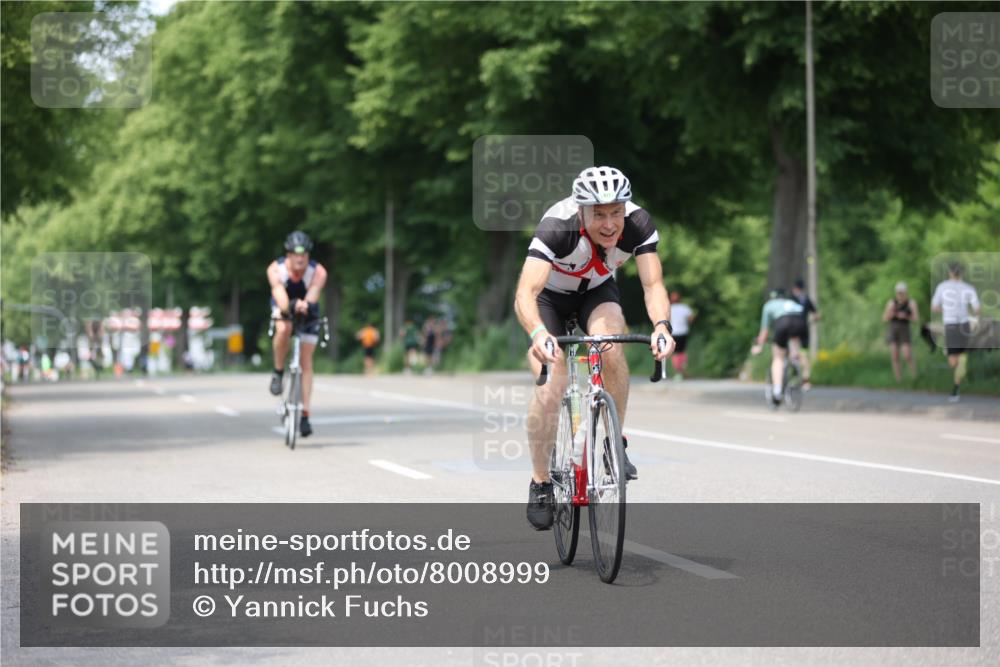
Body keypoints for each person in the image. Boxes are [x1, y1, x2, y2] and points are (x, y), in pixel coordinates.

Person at [513, 166, 675, 531]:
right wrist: (538, 333)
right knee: (550, 386)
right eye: (599, 214)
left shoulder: (638, 224)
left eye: (616, 212)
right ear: (581, 210)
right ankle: (540, 482)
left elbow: (653, 286)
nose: (610, 224)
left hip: (597, 293)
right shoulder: (558, 227)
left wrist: (662, 327)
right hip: (549, 300)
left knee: (610, 346)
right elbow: (526, 293)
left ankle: (612, 445)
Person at [267, 231, 327, 437]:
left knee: (306, 360)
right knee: (283, 329)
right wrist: (290, 306)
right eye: (295, 254)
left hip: (307, 308)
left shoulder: (318, 272)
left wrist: (306, 305)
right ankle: (278, 371)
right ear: (288, 255)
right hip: (285, 304)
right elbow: (279, 295)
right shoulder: (276, 269)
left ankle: (305, 415)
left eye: (304, 255)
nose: (300, 259)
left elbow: (313, 295)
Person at [931, 263, 980, 403]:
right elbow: (977, 308)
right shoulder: (964, 288)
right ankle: (958, 377)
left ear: (950, 273)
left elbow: (934, 307)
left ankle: (956, 388)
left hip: (959, 323)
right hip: (955, 324)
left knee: (959, 359)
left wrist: (946, 310)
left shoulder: (945, 287)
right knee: (955, 360)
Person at [751, 288, 810, 405]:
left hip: (783, 322)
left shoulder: (769, 305)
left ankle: (777, 391)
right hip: (801, 323)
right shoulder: (791, 303)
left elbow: (764, 331)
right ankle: (801, 372)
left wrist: (759, 346)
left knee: (778, 358)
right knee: (796, 349)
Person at [881, 281, 919, 382]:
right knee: (895, 356)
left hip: (904, 329)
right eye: (899, 293)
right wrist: (892, 313)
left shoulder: (911, 303)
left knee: (907, 355)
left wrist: (906, 316)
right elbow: (884, 318)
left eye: (902, 292)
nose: (900, 295)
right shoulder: (891, 303)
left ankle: (914, 376)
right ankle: (898, 379)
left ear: (906, 292)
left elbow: (916, 319)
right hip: (893, 329)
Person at [668, 291, 695, 379]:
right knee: (682, 351)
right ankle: (683, 369)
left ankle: (678, 372)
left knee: (674, 353)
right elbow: (691, 319)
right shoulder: (685, 307)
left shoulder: (668, 308)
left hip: (673, 333)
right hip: (683, 332)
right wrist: (686, 324)